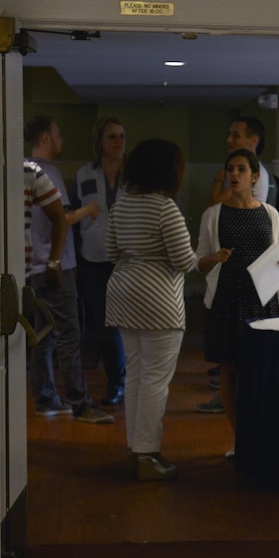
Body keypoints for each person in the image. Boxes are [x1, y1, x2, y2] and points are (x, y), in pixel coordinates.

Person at [105, 138, 196, 481]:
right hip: (159, 301)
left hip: (123, 294)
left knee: (137, 376)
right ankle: (147, 454)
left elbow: (111, 252)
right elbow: (184, 261)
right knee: (156, 380)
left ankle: (135, 449)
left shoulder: (121, 205)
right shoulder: (165, 208)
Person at [197, 149, 279, 454]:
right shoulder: (214, 214)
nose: (234, 174)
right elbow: (199, 262)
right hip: (227, 298)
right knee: (230, 370)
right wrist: (215, 257)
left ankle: (262, 435)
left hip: (263, 300)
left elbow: (277, 251)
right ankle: (241, 440)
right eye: (230, 169)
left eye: (241, 169)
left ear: (254, 176)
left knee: (262, 370)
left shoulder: (269, 213)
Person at [24, 116, 113, 424]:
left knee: (44, 336)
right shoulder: (47, 173)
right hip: (54, 266)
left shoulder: (25, 170)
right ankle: (79, 401)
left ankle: (46, 398)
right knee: (68, 334)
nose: (62, 141)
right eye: (58, 135)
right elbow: (60, 218)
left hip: (34, 266)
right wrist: (87, 210)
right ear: (46, 138)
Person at [72, 116, 128, 406]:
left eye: (121, 136)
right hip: (92, 258)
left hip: (127, 259)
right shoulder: (84, 174)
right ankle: (117, 383)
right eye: (112, 137)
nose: (118, 142)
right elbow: (74, 219)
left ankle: (120, 382)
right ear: (100, 142)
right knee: (104, 322)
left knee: (119, 323)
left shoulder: (134, 175)